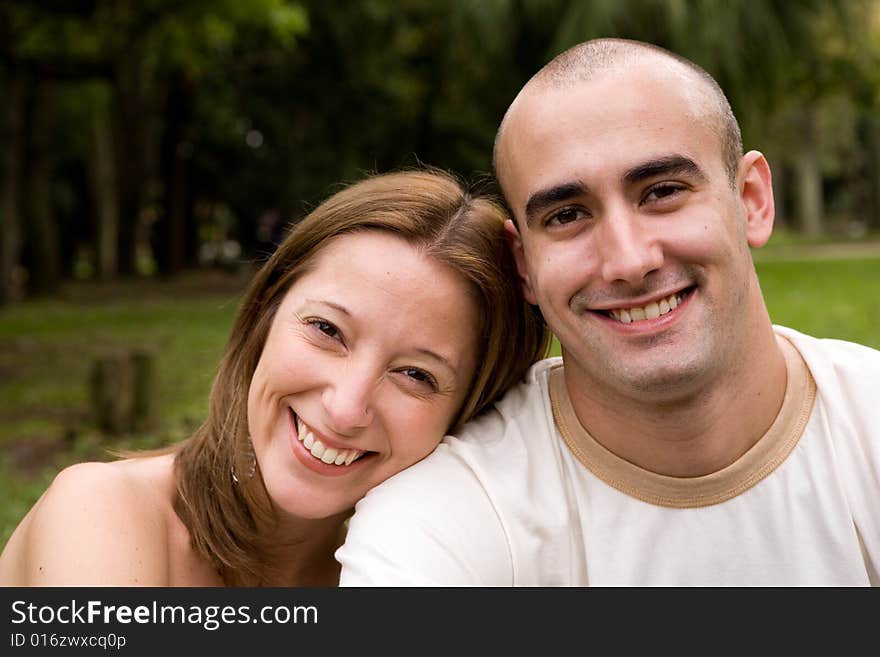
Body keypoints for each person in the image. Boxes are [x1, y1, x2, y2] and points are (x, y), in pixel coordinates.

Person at [337, 38, 880, 586]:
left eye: (663, 191)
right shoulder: (449, 519)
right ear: (523, 264)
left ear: (751, 201)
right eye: (568, 214)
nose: (628, 260)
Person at [0, 168, 549, 586]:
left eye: (415, 374)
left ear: (471, 410)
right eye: (328, 330)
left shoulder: (413, 574)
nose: (345, 407)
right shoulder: (101, 512)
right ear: (265, 314)